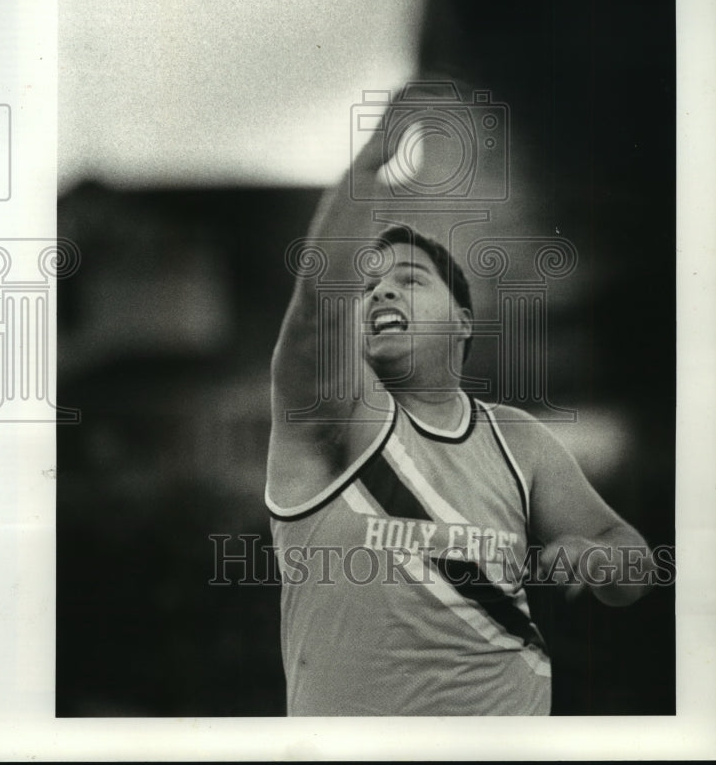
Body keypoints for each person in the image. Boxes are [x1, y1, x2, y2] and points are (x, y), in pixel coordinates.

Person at [266, 86, 655, 716]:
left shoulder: (517, 440)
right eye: (368, 287)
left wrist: (603, 559)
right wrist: (371, 165)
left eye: (408, 280)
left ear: (464, 322)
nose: (380, 294)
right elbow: (317, 311)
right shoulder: (333, 418)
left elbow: (632, 563)